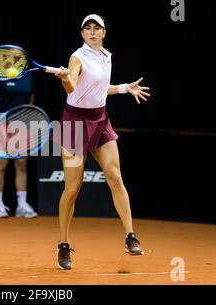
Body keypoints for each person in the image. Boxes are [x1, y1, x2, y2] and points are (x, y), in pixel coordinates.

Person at [53, 14, 151, 270]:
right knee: (72, 189)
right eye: (88, 29)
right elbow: (74, 86)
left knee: (115, 177)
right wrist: (65, 78)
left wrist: (122, 88)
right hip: (74, 123)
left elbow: (97, 88)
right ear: (82, 34)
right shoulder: (78, 57)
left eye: (97, 28)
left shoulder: (107, 56)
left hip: (100, 119)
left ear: (104, 33)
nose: (93, 32)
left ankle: (131, 237)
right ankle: (63, 244)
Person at [0, 71, 38, 218]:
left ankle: (22, 206)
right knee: (1, 163)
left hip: (23, 123)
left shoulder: (28, 77)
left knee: (22, 163)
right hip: (3, 122)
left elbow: (30, 100)